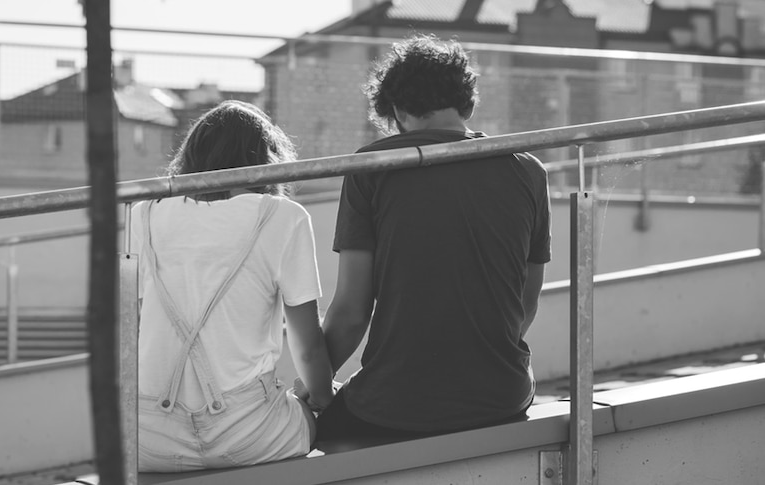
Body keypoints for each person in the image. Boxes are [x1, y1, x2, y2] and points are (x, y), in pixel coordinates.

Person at [314, 35, 552, 442]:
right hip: (503, 396)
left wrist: (315, 386)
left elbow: (353, 312)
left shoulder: (373, 166)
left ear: (394, 111)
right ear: (469, 104)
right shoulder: (528, 169)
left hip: (396, 405)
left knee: (317, 431)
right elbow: (525, 303)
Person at [131, 100, 334, 471]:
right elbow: (306, 347)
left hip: (149, 440)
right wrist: (324, 399)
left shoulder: (143, 214)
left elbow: (137, 322)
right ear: (266, 159)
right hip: (249, 434)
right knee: (310, 418)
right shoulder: (283, 217)